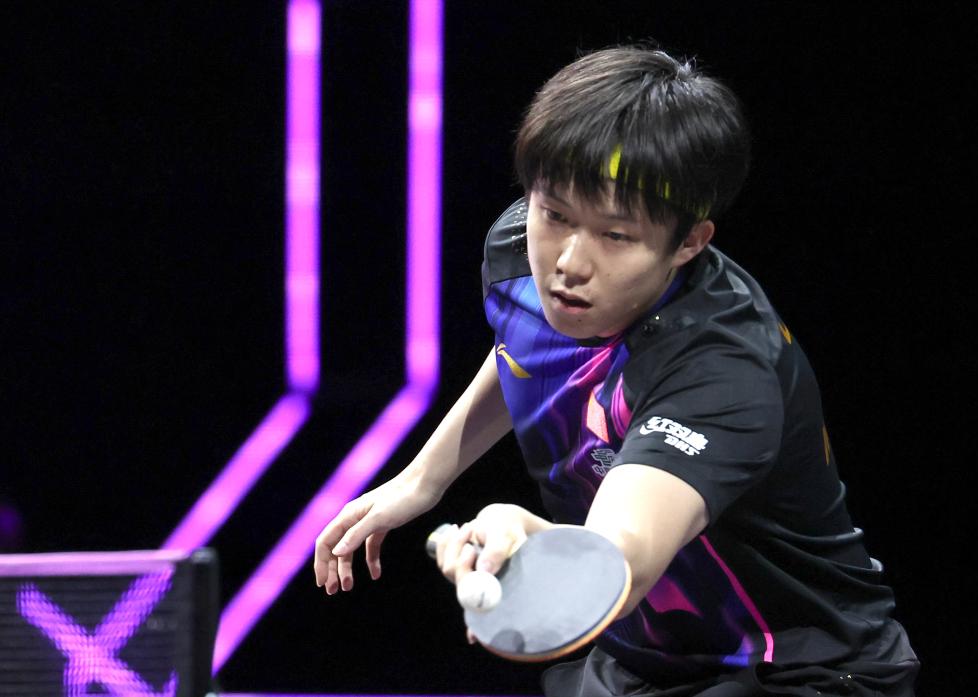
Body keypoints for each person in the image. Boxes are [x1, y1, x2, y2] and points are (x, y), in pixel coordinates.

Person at [313, 46, 919, 696]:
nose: (569, 263)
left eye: (617, 236)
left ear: (689, 242)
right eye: (556, 214)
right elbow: (524, 348)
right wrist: (424, 478)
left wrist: (528, 536)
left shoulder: (722, 369)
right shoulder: (520, 249)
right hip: (639, 661)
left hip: (796, 669)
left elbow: (621, 555)